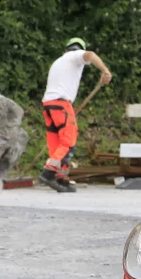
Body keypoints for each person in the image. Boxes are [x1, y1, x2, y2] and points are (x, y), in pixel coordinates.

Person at [40, 38, 111, 193]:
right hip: (61, 104)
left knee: (56, 144)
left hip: (48, 104)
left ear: (66, 49)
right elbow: (90, 55)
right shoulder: (75, 55)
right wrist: (105, 71)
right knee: (68, 141)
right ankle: (49, 172)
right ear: (78, 49)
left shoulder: (58, 61)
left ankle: (60, 177)